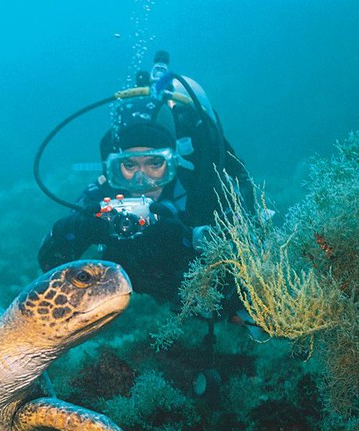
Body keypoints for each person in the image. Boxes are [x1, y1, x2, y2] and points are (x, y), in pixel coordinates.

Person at [37, 75, 254, 310]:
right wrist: (76, 229)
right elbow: (50, 265)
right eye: (129, 166)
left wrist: (185, 241)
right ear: (114, 167)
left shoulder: (199, 190)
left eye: (155, 164)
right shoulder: (101, 195)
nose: (142, 180)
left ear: (173, 163)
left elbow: (238, 282)